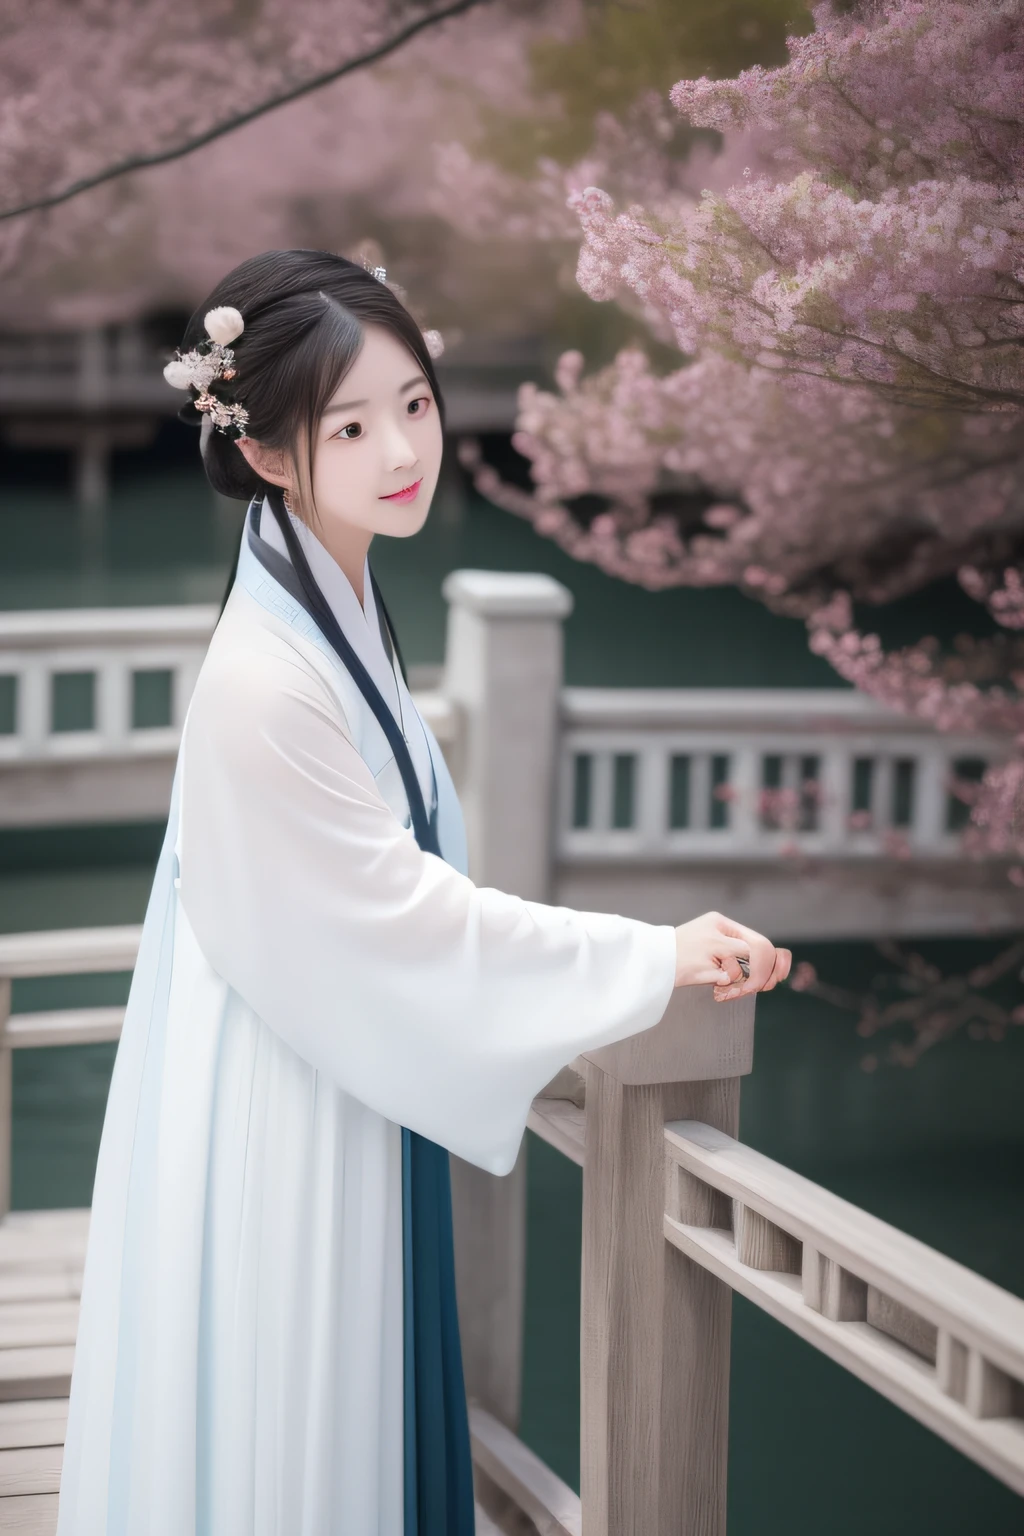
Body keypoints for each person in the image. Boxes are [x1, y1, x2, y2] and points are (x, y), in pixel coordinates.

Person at [56, 248, 791, 1536]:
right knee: (298, 1424)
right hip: (285, 1102)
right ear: (275, 454)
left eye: (414, 401)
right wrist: (649, 957)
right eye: (349, 424)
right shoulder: (264, 680)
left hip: (326, 1060)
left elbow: (388, 900)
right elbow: (403, 917)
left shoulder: (329, 593)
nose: (403, 446)